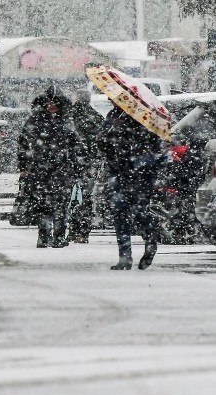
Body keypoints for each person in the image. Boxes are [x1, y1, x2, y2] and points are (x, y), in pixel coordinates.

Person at [97, 104, 165, 270]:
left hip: (141, 173)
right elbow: (104, 144)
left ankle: (150, 241)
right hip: (118, 171)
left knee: (140, 211)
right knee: (119, 212)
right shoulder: (113, 115)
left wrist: (130, 138)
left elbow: (154, 145)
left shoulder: (146, 116)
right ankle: (125, 256)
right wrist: (105, 137)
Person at [17, 88, 84, 248]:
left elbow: (76, 145)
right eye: (49, 102)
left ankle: (58, 236)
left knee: (59, 203)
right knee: (43, 204)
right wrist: (24, 166)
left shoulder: (63, 121)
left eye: (55, 102)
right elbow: (23, 144)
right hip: (41, 169)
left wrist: (77, 165)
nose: (52, 105)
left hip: (59, 169)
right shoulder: (36, 121)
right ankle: (45, 235)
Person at [67, 88, 105, 243]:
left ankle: (71, 228)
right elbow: (103, 140)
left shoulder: (69, 116)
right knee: (86, 196)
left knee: (70, 196)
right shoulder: (96, 117)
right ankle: (82, 231)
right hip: (91, 162)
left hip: (70, 162)